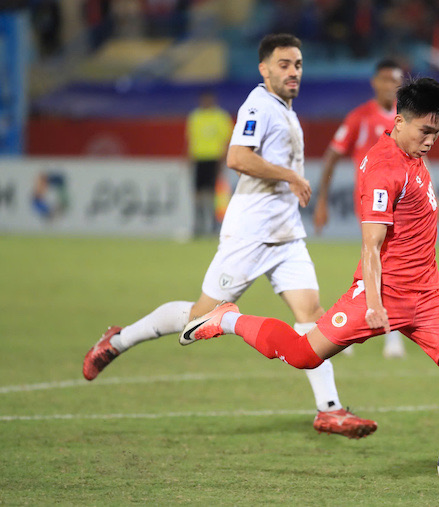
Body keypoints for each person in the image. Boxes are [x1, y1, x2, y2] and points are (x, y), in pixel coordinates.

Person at [180, 77, 439, 492]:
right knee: (302, 355)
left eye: (437, 133)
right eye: (425, 131)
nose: (430, 141)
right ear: (400, 121)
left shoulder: (414, 156)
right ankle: (227, 318)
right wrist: (373, 302)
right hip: (381, 296)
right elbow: (371, 244)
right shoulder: (384, 166)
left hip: (426, 299)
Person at [83, 33, 377, 440]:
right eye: (284, 64)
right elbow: (237, 157)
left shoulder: (284, 109)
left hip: (286, 236)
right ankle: (119, 339)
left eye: (298, 65)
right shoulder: (258, 105)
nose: (293, 72)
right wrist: (291, 175)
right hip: (250, 236)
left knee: (310, 316)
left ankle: (329, 410)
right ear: (264, 69)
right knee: (200, 316)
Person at [313, 58, 408, 359]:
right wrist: (322, 201)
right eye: (385, 79)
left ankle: (347, 329)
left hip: (403, 201)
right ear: (375, 82)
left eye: (396, 81)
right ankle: (381, 334)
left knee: (386, 263)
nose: (390, 86)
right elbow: (331, 156)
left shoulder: (404, 118)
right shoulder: (360, 117)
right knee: (382, 261)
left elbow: (418, 156)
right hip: (372, 202)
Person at [186, 90, 233, 236]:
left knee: (215, 194)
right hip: (199, 158)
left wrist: (223, 159)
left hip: (214, 158)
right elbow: (190, 139)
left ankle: (214, 225)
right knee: (198, 194)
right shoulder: (195, 117)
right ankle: (198, 225)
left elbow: (227, 140)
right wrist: (188, 157)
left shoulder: (221, 117)